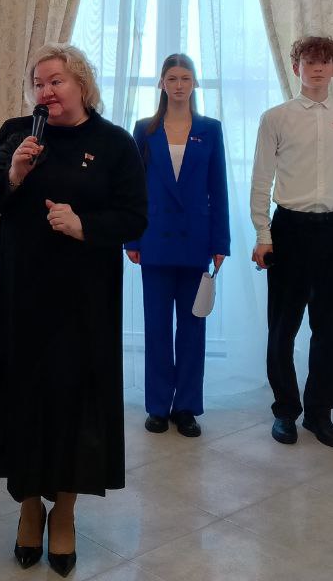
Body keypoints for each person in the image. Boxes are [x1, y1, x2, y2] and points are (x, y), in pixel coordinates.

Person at [0, 43, 147, 576]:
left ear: (81, 83)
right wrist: (14, 174)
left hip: (83, 297)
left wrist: (85, 225)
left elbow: (135, 217)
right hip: (19, 290)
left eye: (56, 81)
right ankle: (28, 508)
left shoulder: (114, 142)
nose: (45, 91)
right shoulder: (18, 133)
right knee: (22, 396)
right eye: (38, 83)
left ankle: (64, 511)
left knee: (74, 400)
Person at [250, 36, 333, 450]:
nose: (317, 68)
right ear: (296, 66)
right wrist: (263, 234)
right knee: (283, 326)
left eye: (324, 62)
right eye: (309, 61)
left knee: (326, 327)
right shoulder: (276, 118)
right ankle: (285, 409)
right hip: (289, 230)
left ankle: (320, 413)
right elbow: (261, 180)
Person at [124, 53, 230, 438]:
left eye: (186, 78)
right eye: (172, 78)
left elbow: (218, 188)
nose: (180, 85)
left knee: (192, 327)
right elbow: (132, 188)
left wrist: (221, 242)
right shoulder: (144, 129)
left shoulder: (210, 129)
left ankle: (185, 407)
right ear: (162, 84)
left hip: (196, 242)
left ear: (195, 84)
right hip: (154, 240)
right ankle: (157, 406)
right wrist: (131, 237)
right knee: (156, 328)